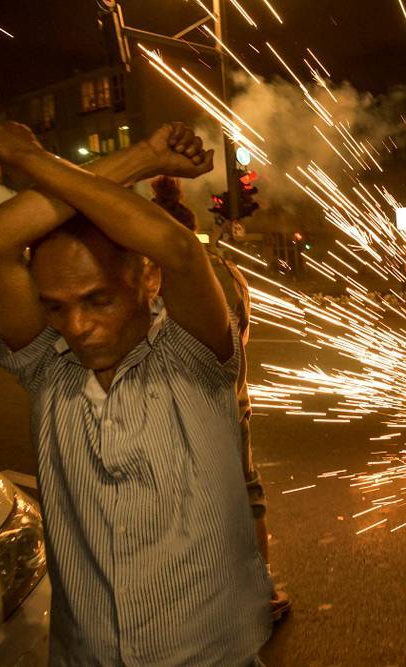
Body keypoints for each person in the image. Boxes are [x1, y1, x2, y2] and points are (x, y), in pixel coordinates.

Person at [0, 121, 272, 665]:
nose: (77, 326)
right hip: (86, 656)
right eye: (55, 306)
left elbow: (177, 249)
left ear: (147, 282)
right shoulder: (48, 365)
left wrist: (26, 157)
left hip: (207, 655)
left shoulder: (192, 356)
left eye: (97, 300)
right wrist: (140, 158)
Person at [151, 175, 291, 621]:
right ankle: (257, 593)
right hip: (225, 404)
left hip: (164, 409)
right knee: (244, 494)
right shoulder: (223, 272)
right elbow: (240, 335)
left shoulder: (143, 277)